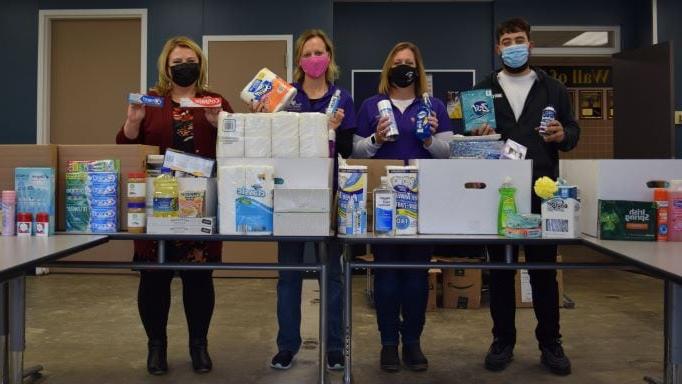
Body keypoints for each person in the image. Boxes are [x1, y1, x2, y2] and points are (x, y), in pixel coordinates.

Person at [116, 36, 232, 375]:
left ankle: (199, 346)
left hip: (201, 206)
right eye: (177, 62)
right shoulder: (150, 102)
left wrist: (219, 124)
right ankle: (156, 347)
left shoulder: (216, 100)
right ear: (167, 68)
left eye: (190, 61)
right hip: (158, 204)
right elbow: (125, 144)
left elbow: (238, 145)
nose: (184, 67)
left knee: (199, 281)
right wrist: (134, 121)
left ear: (200, 65)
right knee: (153, 280)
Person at [472, 18, 580, 376]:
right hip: (498, 194)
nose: (513, 45)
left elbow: (573, 132)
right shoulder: (483, 90)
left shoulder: (553, 88)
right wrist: (478, 133)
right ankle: (502, 341)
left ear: (530, 45)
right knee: (500, 272)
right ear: (497, 49)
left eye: (519, 40)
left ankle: (551, 344)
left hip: (542, 192)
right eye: (507, 41)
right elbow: (468, 136)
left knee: (543, 273)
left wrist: (562, 134)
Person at [252, 29, 355, 371]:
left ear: (330, 56)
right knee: (289, 274)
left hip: (329, 196)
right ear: (299, 61)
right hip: (289, 194)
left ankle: (336, 348)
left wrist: (336, 129)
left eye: (319, 52)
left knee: (333, 275)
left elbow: (348, 150)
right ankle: (287, 346)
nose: (314, 59)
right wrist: (262, 119)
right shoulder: (286, 97)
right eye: (308, 53)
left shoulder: (342, 98)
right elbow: (271, 147)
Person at [352, 41, 453, 372]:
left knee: (416, 277)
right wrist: (376, 140)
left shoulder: (434, 104)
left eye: (409, 62)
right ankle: (387, 344)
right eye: (398, 62)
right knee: (385, 276)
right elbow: (356, 152)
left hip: (423, 201)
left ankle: (413, 342)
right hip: (383, 201)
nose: (403, 67)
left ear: (418, 69)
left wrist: (428, 139)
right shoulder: (371, 105)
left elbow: (448, 153)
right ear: (388, 68)